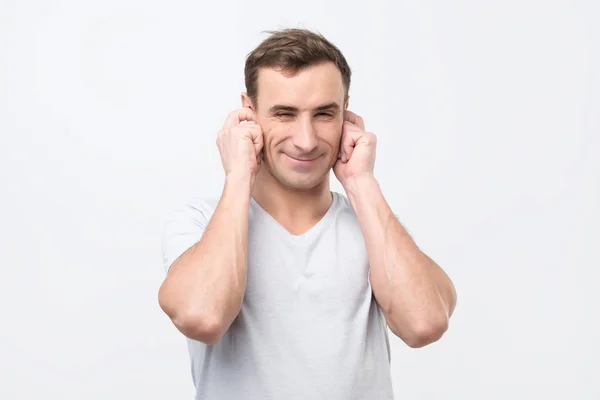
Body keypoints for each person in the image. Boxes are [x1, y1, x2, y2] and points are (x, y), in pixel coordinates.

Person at [158, 28, 457, 400]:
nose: (307, 140)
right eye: (284, 113)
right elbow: (202, 317)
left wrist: (360, 182)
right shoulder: (199, 222)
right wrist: (239, 175)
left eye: (324, 114)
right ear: (247, 113)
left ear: (346, 115)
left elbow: (424, 324)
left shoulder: (372, 222)